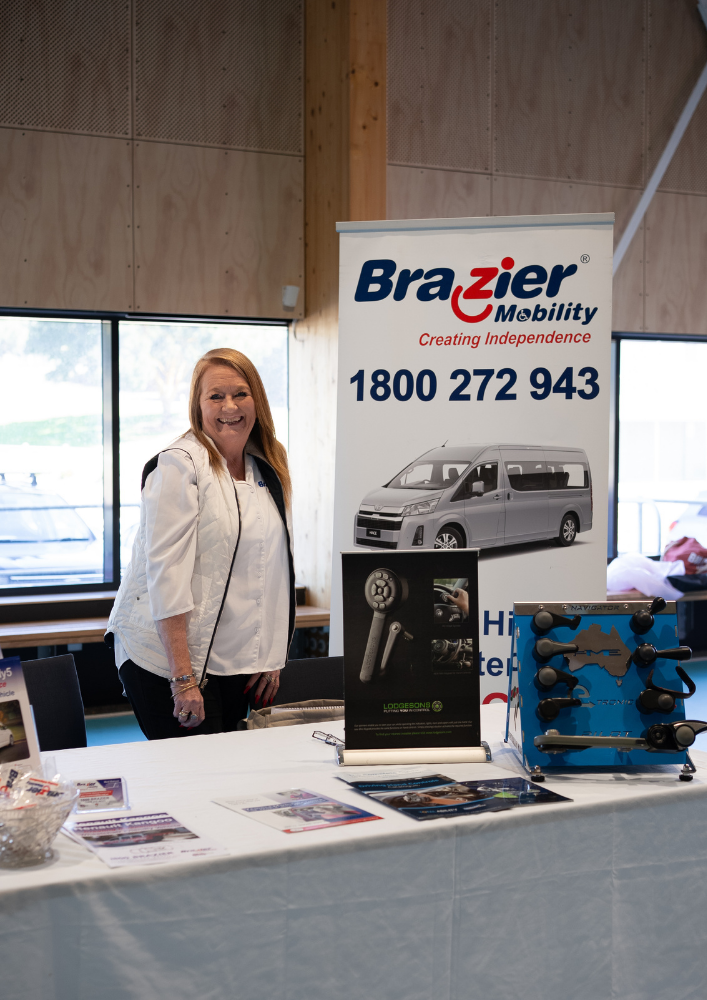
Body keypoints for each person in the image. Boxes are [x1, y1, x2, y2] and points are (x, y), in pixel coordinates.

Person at [106, 348, 295, 739]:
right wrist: (182, 679)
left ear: (257, 400)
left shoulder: (267, 464)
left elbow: (272, 568)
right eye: (216, 396)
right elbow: (167, 579)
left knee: (234, 768)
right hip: (168, 662)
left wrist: (270, 654)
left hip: (232, 661)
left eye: (241, 394)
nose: (230, 406)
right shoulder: (179, 465)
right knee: (198, 769)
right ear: (198, 406)